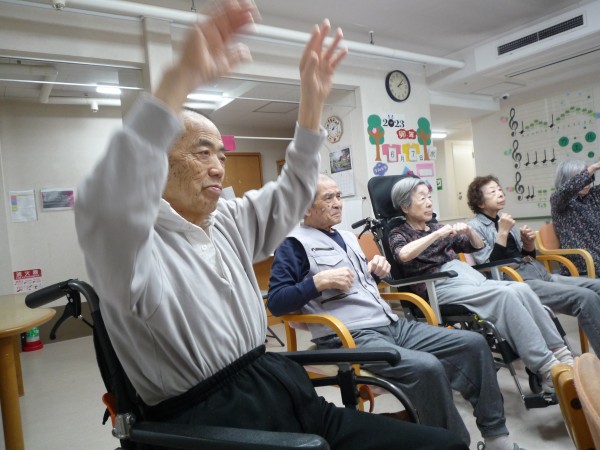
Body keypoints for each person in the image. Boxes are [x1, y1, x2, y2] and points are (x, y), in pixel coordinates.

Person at [73, 2, 466, 449]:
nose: (218, 167)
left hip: (273, 383)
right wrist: (179, 79)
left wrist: (312, 105)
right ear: (156, 164)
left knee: (444, 445)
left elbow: (292, 193)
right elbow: (108, 198)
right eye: (202, 152)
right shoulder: (131, 245)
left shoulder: (223, 219)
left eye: (222, 155)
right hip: (214, 424)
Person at [268, 174, 526, 450]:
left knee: (473, 343)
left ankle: (497, 439)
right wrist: (317, 283)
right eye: (328, 198)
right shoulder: (293, 245)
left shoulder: (348, 238)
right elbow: (277, 302)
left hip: (390, 323)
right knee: (427, 367)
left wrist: (376, 272)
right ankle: (453, 445)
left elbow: (358, 286)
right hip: (350, 336)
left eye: (339, 196)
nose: (338, 203)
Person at [387, 176, 574, 395]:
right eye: (422, 198)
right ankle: (547, 368)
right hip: (438, 285)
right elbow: (403, 255)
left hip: (466, 275)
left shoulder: (437, 226)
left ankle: (562, 355)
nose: (429, 202)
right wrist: (437, 234)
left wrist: (469, 231)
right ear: (405, 206)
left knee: (521, 288)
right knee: (504, 297)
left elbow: (477, 246)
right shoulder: (398, 233)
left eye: (429, 197)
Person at [467, 174, 600, 354]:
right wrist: (503, 232)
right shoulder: (474, 227)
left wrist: (528, 244)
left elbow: (525, 256)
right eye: (493, 192)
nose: (500, 193)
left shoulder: (503, 220)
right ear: (480, 203)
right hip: (516, 282)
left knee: (597, 286)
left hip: (537, 272)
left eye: (500, 189)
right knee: (585, 298)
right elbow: (490, 266)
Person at [551, 159, 600, 274]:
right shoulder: (558, 199)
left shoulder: (593, 195)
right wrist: (593, 167)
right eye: (581, 178)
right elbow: (568, 190)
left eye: (588, 177)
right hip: (582, 264)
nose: (586, 183)